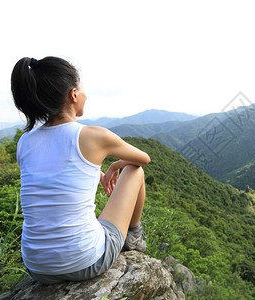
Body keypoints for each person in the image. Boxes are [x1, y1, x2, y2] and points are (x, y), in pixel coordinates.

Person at [11, 56, 151, 284]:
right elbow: (143, 159)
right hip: (86, 261)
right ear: (74, 94)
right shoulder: (93, 135)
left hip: (37, 267)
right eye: (82, 86)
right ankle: (134, 236)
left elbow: (54, 172)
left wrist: (97, 171)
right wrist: (116, 164)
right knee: (135, 171)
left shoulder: (25, 141)